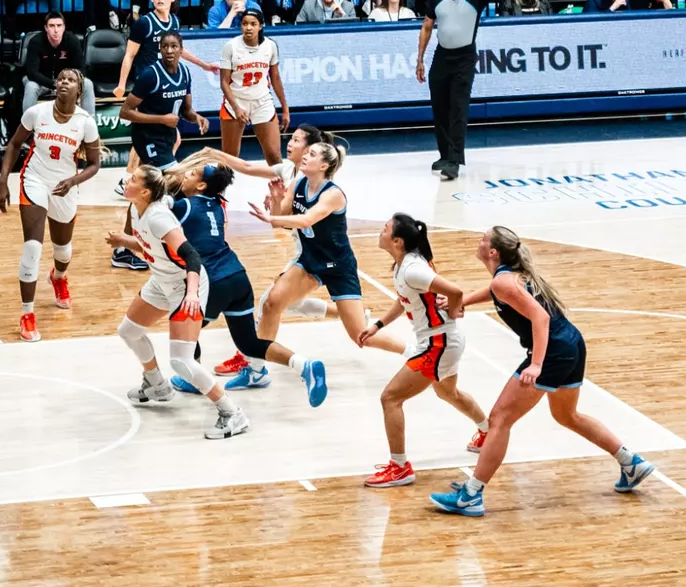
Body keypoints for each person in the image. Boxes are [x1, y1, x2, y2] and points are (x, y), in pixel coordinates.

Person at [431, 226, 655, 517]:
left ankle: (471, 495)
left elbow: (541, 318)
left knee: (499, 419)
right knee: (566, 415)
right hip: (572, 343)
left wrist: (536, 364)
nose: (479, 241)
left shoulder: (504, 282)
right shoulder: (507, 278)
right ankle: (631, 462)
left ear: (493, 252)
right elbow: (495, 293)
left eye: (483, 239)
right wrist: (462, 301)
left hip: (553, 351)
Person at [164, 161, 328, 403]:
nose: (185, 175)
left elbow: (156, 203)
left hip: (213, 280)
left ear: (201, 185)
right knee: (249, 342)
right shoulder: (218, 204)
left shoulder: (183, 206)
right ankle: (304, 365)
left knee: (185, 327)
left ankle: (192, 379)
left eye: (192, 173)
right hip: (237, 276)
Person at [108, 164, 250, 440]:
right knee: (129, 331)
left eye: (133, 179)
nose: (127, 181)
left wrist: (192, 294)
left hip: (186, 284)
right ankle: (157, 385)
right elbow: (152, 249)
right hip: (162, 280)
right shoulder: (136, 210)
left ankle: (232, 413)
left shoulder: (159, 218)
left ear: (145, 192)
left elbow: (192, 256)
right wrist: (125, 241)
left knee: (182, 362)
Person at [360, 213, 491, 489]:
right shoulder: (402, 266)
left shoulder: (413, 269)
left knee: (390, 398)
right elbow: (404, 299)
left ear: (397, 241)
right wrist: (378, 325)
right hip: (438, 341)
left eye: (385, 228)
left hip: (439, 343)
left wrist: (454, 311)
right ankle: (488, 432)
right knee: (448, 393)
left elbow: (455, 292)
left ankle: (400, 468)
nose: (380, 231)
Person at [248, 138, 407, 355]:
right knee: (271, 304)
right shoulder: (298, 184)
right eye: (306, 152)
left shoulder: (333, 194)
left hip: (338, 266)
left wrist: (271, 218)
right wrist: (276, 200)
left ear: (324, 166)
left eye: (312, 154)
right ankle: (258, 367)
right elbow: (281, 219)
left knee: (361, 336)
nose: (305, 156)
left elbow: (306, 220)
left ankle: (413, 352)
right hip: (309, 260)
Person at [0, 67, 103, 343]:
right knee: (32, 247)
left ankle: (59, 277)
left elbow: (95, 165)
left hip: (64, 184)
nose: (64, 82)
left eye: (71, 80)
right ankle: (27, 315)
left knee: (63, 249)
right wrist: (3, 182)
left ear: (79, 90)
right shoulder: (37, 112)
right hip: (35, 179)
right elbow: (14, 145)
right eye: (61, 78)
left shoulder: (85, 122)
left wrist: (73, 181)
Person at [415, 0, 513, 181]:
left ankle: (454, 160)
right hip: (441, 56)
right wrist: (420, 59)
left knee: (458, 108)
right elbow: (427, 27)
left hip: (464, 58)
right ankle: (444, 154)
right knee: (440, 108)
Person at [118, 29, 208, 265]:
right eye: (165, 46)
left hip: (166, 137)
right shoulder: (150, 75)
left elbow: (185, 111)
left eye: (174, 46)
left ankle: (134, 244)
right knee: (175, 182)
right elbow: (125, 112)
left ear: (181, 49)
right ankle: (162, 242)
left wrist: (197, 117)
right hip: (147, 137)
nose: (169, 50)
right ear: (159, 49)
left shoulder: (185, 73)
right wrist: (161, 119)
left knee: (150, 190)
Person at [219, 9, 289, 165]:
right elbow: (224, 82)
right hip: (236, 101)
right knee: (229, 158)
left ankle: (282, 182)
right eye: (244, 24)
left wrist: (285, 108)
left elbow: (275, 78)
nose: (248, 28)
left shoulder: (270, 46)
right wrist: (236, 108)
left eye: (253, 24)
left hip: (262, 101)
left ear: (261, 26)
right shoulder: (230, 46)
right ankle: (219, 182)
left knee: (274, 156)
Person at [21, 11, 96, 115]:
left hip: (66, 81)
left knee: (87, 84)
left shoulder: (72, 40)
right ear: (46, 28)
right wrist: (53, 84)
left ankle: (89, 121)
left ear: (64, 27)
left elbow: (82, 68)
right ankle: (27, 123)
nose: (56, 30)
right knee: (30, 86)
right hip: (42, 81)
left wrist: (69, 81)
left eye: (59, 25)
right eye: (52, 26)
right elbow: (32, 72)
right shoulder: (36, 42)